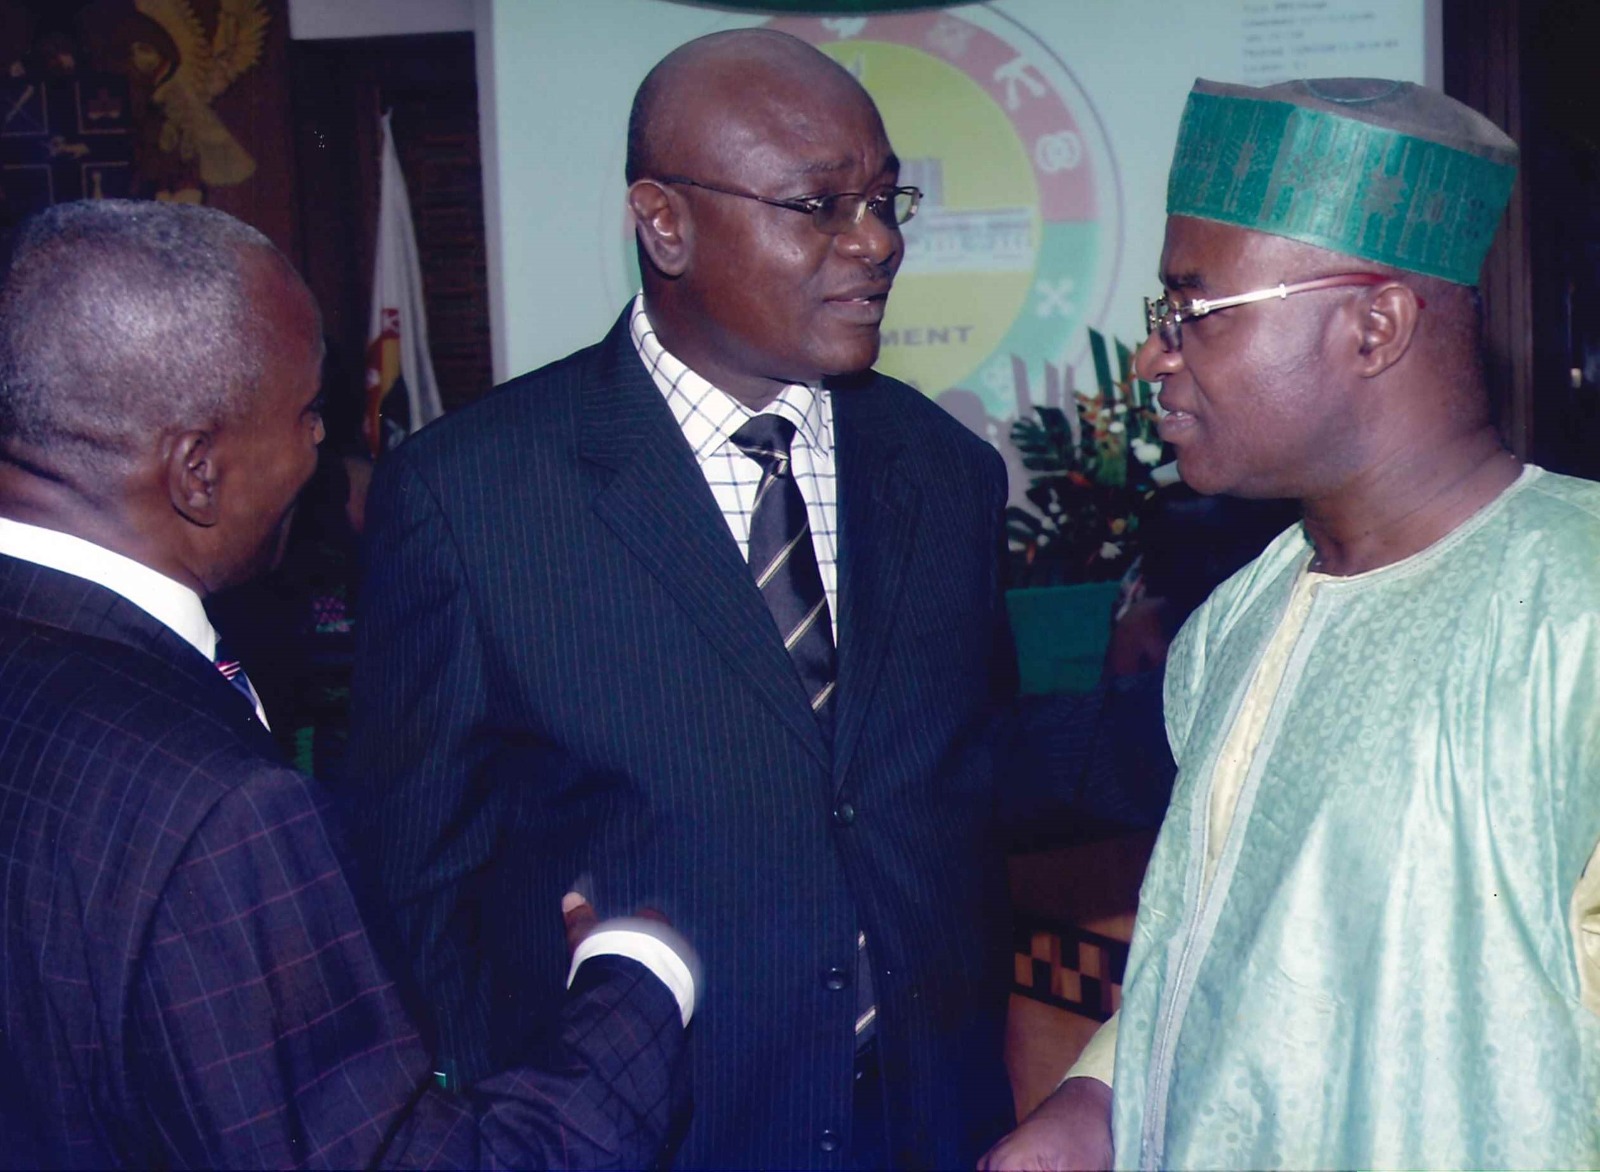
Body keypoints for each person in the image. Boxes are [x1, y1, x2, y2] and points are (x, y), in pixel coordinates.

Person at [348, 28, 1015, 1169]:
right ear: (663, 220)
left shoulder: (942, 470)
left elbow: (962, 785)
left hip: (929, 1122)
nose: (879, 242)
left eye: (886, 197)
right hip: (646, 1134)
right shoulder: (473, 495)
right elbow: (417, 890)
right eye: (819, 206)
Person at [0, 199, 697, 1169]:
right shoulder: (227, 816)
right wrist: (636, 978)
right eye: (304, 413)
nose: (322, 444)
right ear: (198, 471)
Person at [983, 78, 1600, 1170]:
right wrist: (1098, 1099)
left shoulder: (1578, 603)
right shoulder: (1241, 614)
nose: (1151, 360)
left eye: (1191, 313)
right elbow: (1240, 950)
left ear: (1372, 325)